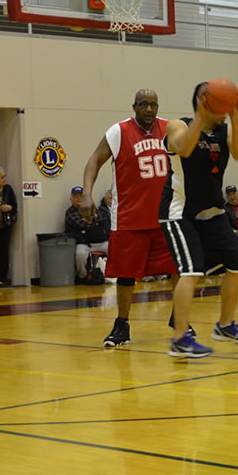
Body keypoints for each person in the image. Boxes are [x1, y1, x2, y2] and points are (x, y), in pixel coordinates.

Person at [159, 82, 238, 358]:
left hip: (211, 212)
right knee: (191, 271)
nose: (224, 110)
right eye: (220, 104)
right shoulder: (178, 125)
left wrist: (235, 117)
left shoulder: (226, 130)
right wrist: (201, 115)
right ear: (203, 102)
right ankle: (180, 338)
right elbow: (183, 148)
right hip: (180, 211)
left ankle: (225, 325)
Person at [80, 88, 181, 347]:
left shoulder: (170, 129)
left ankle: (180, 317)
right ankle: (122, 325)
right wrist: (87, 194)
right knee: (125, 275)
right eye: (143, 104)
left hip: (166, 215)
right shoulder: (119, 131)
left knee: (178, 268)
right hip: (129, 217)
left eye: (153, 105)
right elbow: (94, 160)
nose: (149, 109)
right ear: (134, 106)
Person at [65, 186, 109, 282]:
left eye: (81, 196)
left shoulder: (92, 208)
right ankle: (82, 276)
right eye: (76, 196)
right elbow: (81, 224)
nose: (79, 198)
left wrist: (87, 220)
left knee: (114, 249)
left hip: (100, 241)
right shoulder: (70, 212)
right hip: (83, 243)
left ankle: (112, 274)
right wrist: (94, 222)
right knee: (79, 255)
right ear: (71, 199)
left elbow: (102, 218)